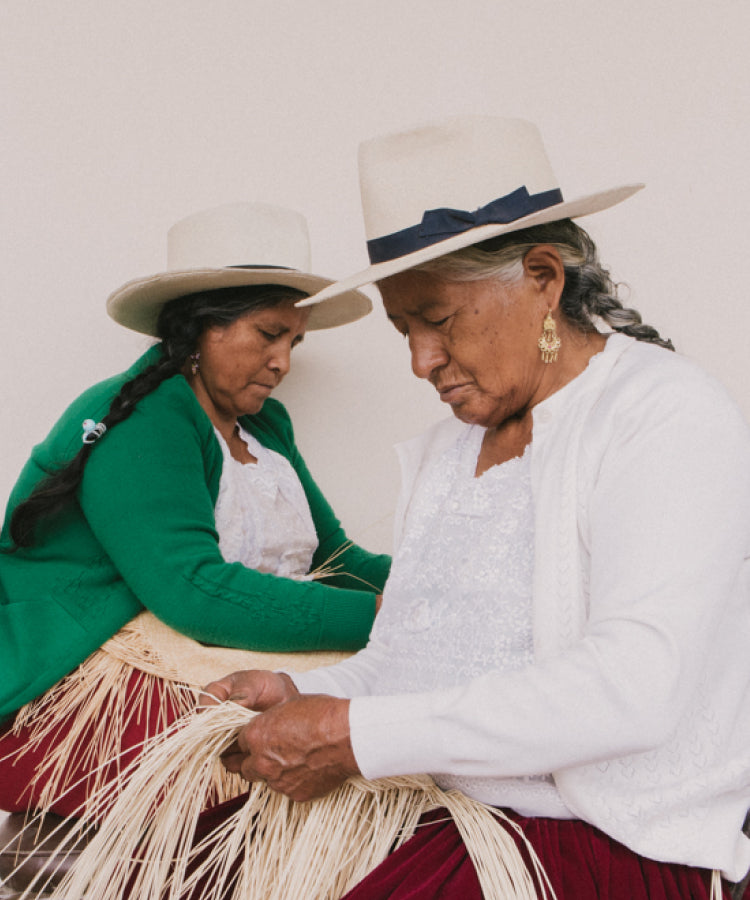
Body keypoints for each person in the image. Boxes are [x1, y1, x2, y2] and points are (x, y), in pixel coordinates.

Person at [202, 119, 750, 898]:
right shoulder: (446, 452)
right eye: (403, 330)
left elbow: (634, 687)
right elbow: (410, 664)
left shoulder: (666, 415)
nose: (421, 362)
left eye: (438, 319)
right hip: (445, 810)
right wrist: (317, 699)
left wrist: (357, 735)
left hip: (600, 844)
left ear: (542, 278)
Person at [0, 201, 390, 820]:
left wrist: (437, 590)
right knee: (300, 753)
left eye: (293, 341)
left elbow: (335, 556)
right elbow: (195, 593)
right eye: (268, 335)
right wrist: (387, 619)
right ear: (201, 329)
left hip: (201, 648)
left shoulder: (265, 423)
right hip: (87, 668)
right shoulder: (144, 418)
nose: (283, 362)